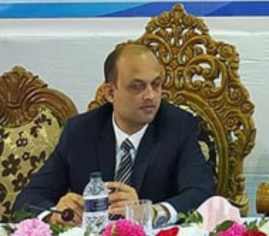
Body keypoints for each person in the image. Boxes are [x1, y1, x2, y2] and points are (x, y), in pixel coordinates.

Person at [14, 43, 215, 226]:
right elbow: (28, 199)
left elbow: (202, 193)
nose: (151, 96)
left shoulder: (178, 126)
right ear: (110, 93)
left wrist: (150, 212)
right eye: (137, 87)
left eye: (156, 84)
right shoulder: (80, 131)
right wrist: (54, 215)